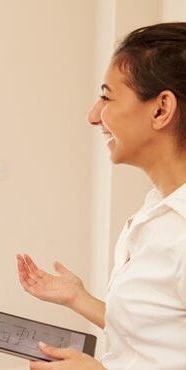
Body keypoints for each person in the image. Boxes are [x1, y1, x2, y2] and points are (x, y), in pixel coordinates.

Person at [16, 22, 186, 370]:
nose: (94, 116)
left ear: (160, 109)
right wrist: (78, 298)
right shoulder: (158, 206)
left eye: (107, 97)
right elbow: (158, 335)